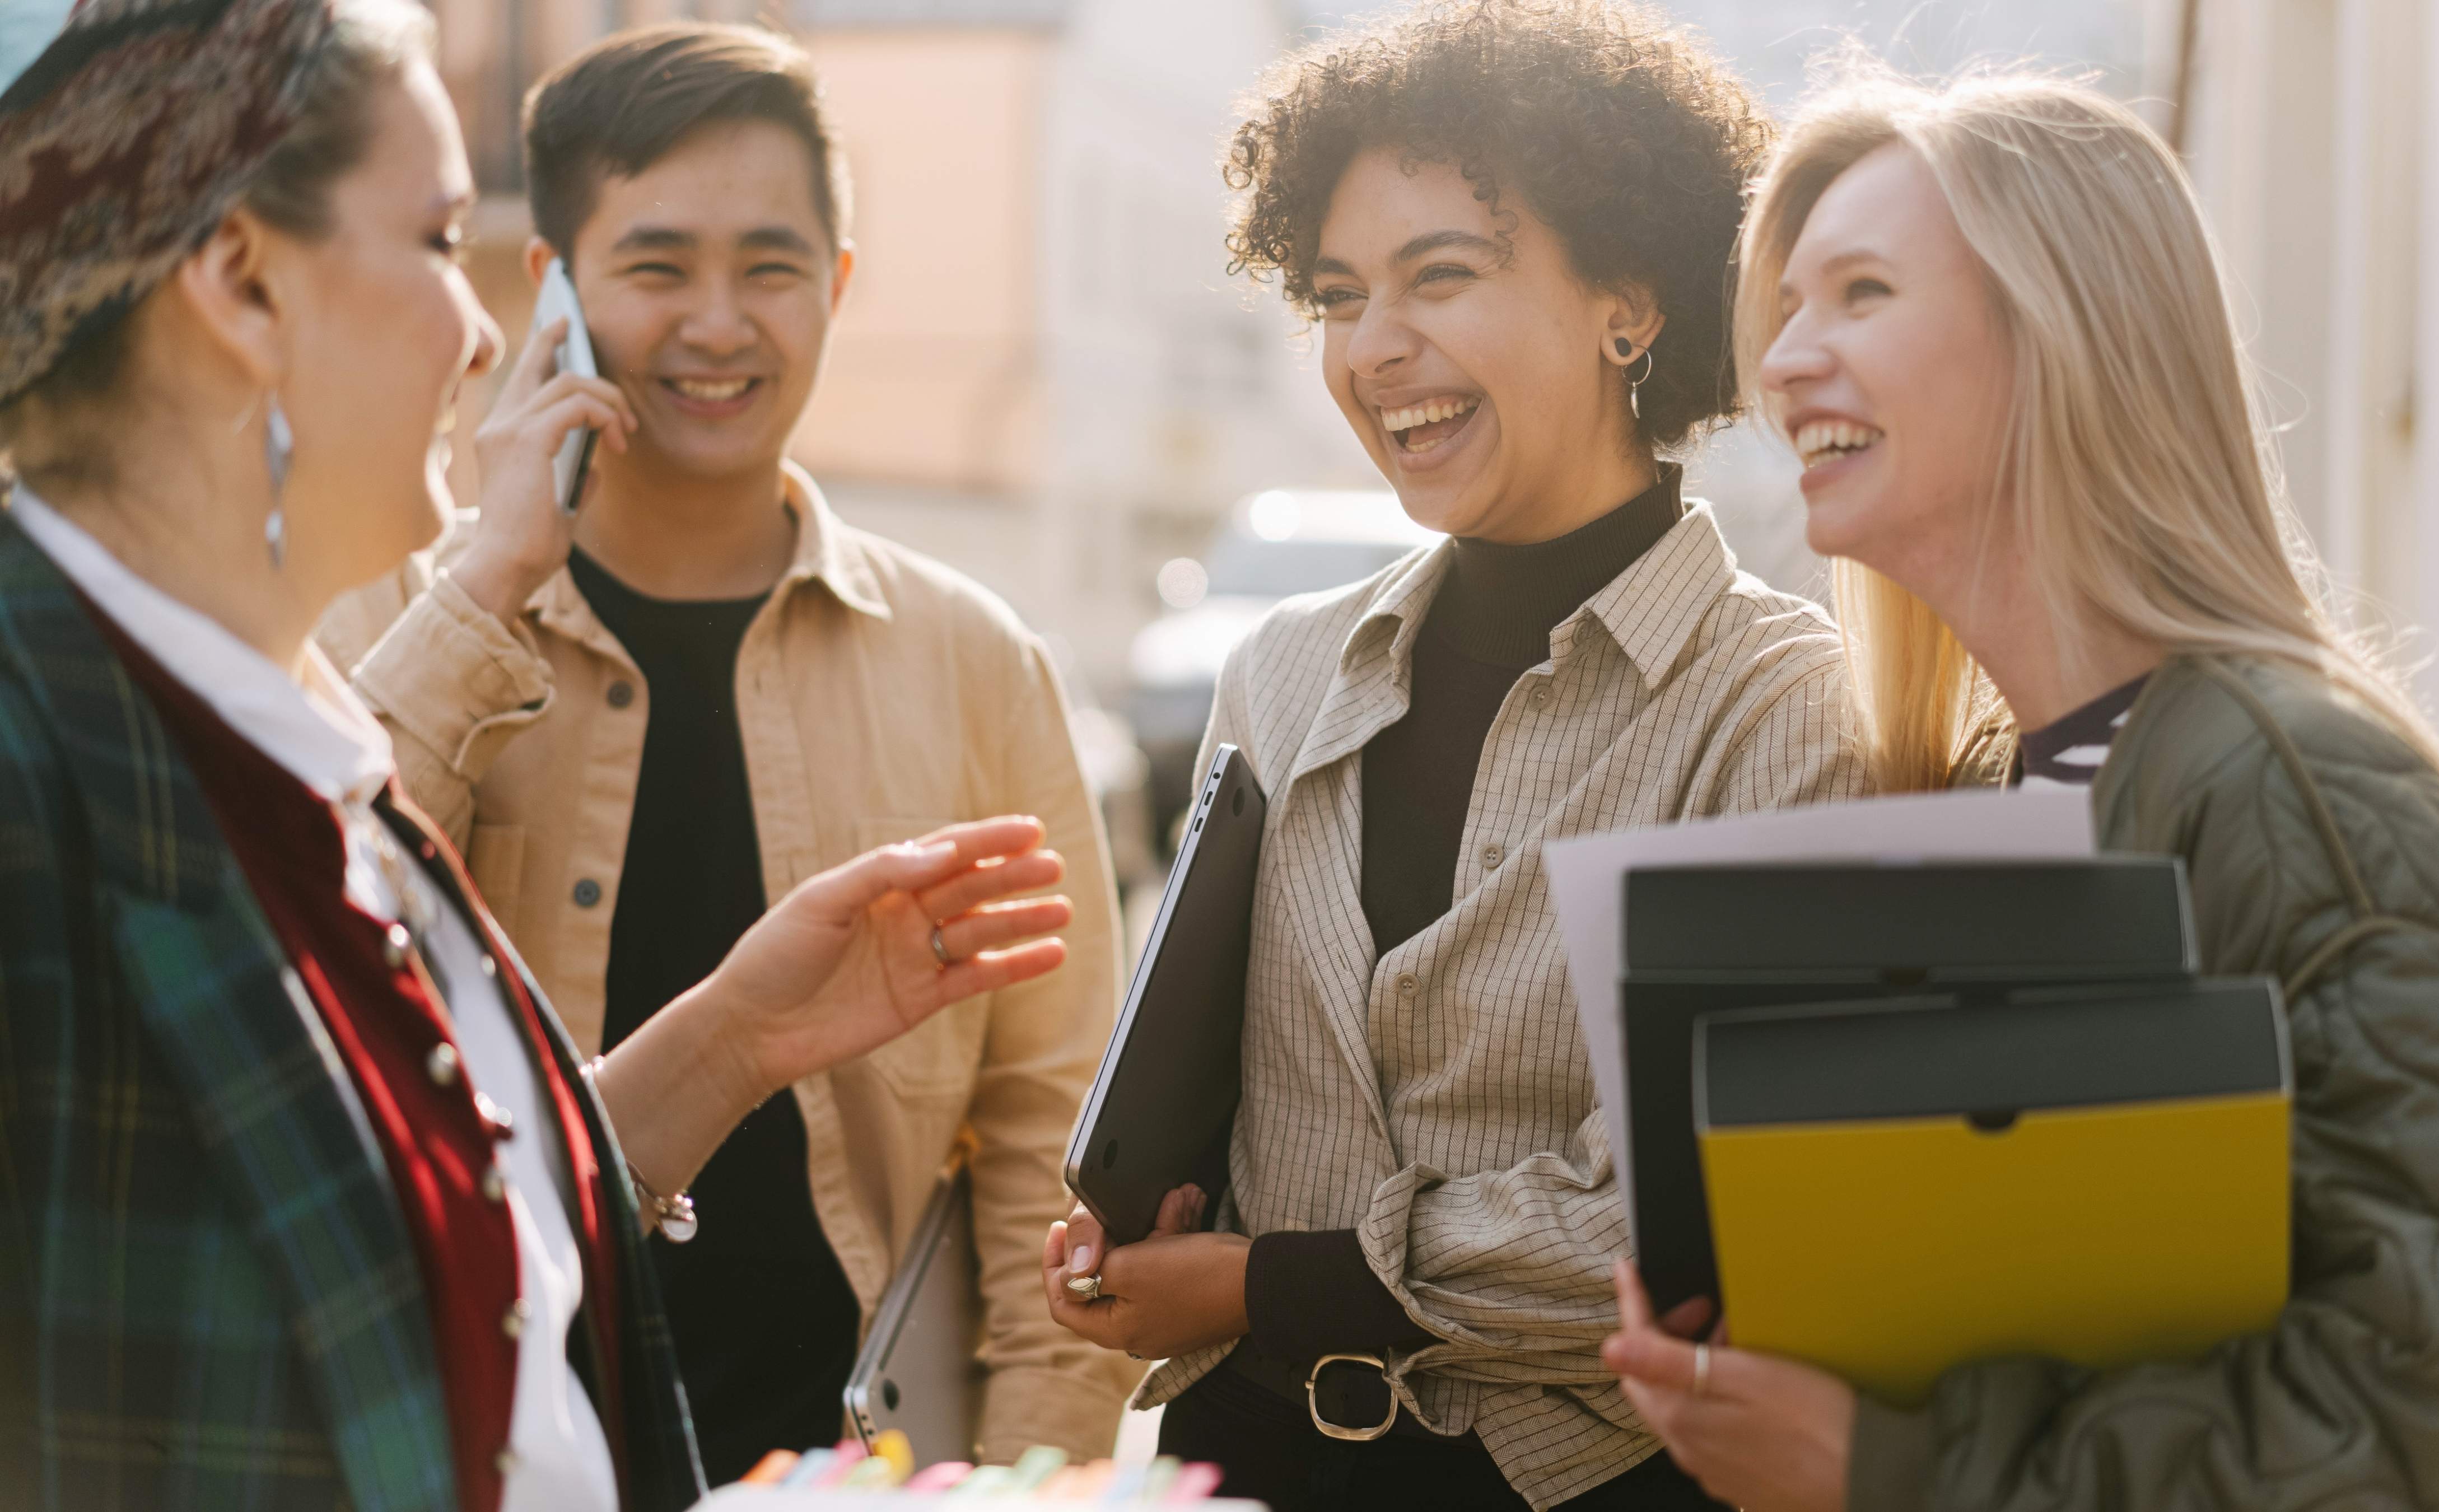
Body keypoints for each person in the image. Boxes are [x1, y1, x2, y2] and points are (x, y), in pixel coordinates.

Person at [0, 2, 1074, 1508]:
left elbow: (454, 1240)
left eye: (768, 264)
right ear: (243, 281)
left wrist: (732, 1040)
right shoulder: (64, 748)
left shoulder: (270, 726)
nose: (485, 340)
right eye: (440, 242)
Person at [1602, 58, 2439, 1512]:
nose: (1785, 362)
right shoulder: (1999, 791)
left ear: (2066, 337)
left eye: (1860, 294)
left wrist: (1904, 1470)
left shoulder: (2312, 804)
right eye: (1787, 309)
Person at [1036, 3, 1864, 1508]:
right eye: (1341, 294)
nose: (1374, 349)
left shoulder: (1779, 704)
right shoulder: (1280, 673)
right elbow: (1234, 1103)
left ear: (1631, 298)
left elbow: (1677, 1232)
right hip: (1248, 1472)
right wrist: (1134, 1222)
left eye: (1443, 276)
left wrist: (1256, 1282)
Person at [313, 22, 1140, 1477]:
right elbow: (302, 947)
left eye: (769, 265)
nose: (717, 321)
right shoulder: (398, 607)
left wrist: (1034, 1486)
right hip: (481, 1446)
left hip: (850, 1470)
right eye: (655, 264)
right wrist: (494, 577)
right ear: (552, 290)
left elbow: (1055, 1150)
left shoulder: (973, 659)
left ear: (839, 283)